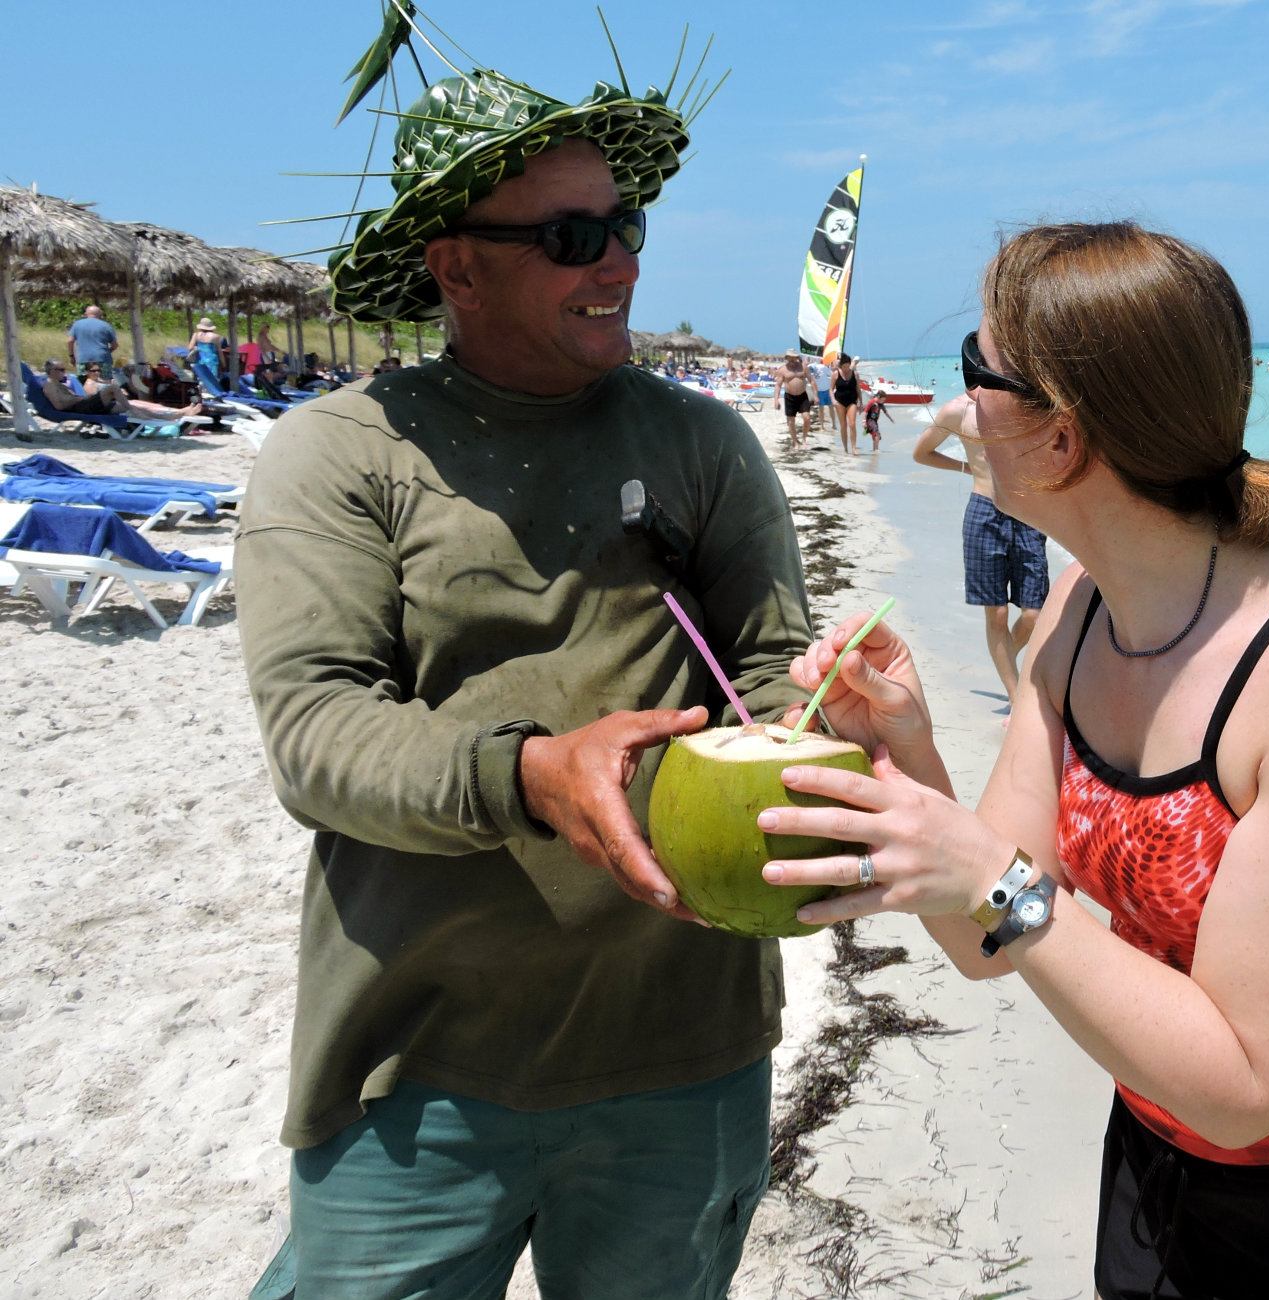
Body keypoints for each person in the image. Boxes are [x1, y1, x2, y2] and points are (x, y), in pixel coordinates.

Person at [772, 222, 1269, 1299]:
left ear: (1063, 442)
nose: (954, 409)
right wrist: (910, 759)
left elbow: (1247, 1081)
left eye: (971, 374)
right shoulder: (1077, 614)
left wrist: (986, 877)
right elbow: (985, 938)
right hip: (1161, 1174)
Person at [237, 24, 812, 1299]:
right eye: (567, 238)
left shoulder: (705, 446)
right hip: (420, 1063)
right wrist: (534, 775)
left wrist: (832, 754)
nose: (614, 261)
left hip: (686, 1047)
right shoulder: (342, 455)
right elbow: (317, 734)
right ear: (455, 266)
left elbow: (774, 672)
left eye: (623, 228)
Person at [913, 388, 1050, 702]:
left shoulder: (1023, 402)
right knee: (997, 614)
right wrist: (964, 467)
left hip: (1027, 512)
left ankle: (1005, 655)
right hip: (984, 511)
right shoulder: (958, 411)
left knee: (1034, 614)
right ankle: (1016, 698)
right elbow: (922, 453)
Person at [41, 359, 203, 423]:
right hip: (79, 407)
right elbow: (60, 407)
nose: (63, 371)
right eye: (60, 369)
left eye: (63, 369)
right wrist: (76, 398)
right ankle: (133, 410)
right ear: (51, 371)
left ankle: (179, 413)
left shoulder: (59, 383)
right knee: (113, 389)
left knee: (140, 407)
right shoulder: (50, 385)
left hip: (84, 404)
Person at [776, 350, 813, 448]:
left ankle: (804, 439)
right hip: (789, 397)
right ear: (787, 358)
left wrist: (816, 395)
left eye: (794, 357)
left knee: (807, 418)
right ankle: (795, 441)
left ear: (797, 357)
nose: (792, 359)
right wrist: (776, 400)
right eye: (790, 357)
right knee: (791, 421)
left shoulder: (803, 367)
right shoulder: (782, 370)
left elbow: (811, 380)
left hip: (802, 396)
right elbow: (778, 385)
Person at [66, 305, 118, 373]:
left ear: (86, 314)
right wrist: (107, 352)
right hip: (103, 358)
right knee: (105, 382)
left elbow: (70, 341)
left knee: (83, 382)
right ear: (100, 314)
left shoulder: (77, 324)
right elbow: (115, 345)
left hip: (83, 359)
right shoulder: (106, 325)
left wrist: (71, 356)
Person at [831, 352, 862, 453]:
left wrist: (860, 403)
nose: (846, 368)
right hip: (839, 402)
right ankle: (845, 448)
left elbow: (858, 389)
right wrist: (833, 400)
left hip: (852, 401)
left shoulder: (855, 374)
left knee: (852, 424)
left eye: (848, 366)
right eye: (844, 366)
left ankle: (854, 447)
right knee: (843, 425)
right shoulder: (836, 374)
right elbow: (831, 389)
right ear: (841, 365)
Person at [187, 316, 225, 392]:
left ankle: (201, 396)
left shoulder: (196, 335)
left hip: (200, 360)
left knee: (201, 380)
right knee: (212, 381)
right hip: (212, 361)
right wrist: (224, 363)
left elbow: (190, 348)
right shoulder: (216, 337)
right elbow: (219, 352)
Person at [807, 353, 833, 431]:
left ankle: (821, 426)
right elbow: (831, 375)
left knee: (819, 408)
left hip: (815, 390)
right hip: (819, 390)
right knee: (827, 407)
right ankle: (829, 425)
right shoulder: (821, 367)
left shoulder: (810, 366)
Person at [862, 385, 893, 451]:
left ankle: (874, 450)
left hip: (875, 422)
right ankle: (876, 450)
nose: (883, 401)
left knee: (875, 436)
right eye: (883, 400)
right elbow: (865, 412)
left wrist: (891, 419)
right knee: (877, 435)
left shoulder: (881, 404)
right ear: (879, 397)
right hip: (870, 421)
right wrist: (864, 422)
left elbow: (885, 412)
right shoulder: (871, 402)